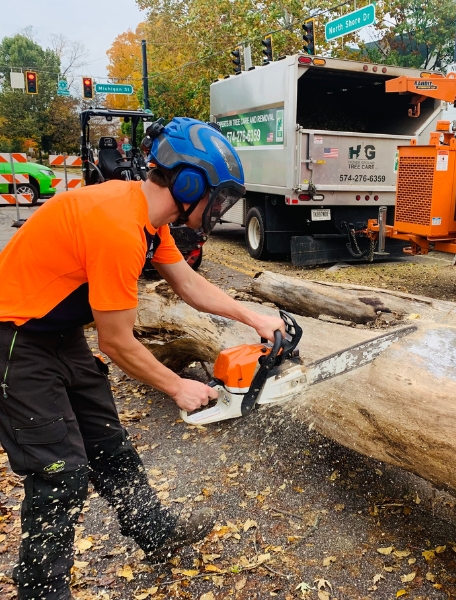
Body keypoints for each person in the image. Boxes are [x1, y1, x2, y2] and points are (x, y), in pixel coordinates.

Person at [0, 117, 285, 600]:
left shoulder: (148, 220)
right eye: (218, 198)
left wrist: (252, 317)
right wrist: (177, 386)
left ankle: (155, 534)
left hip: (60, 335)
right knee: (60, 474)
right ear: (189, 183)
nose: (219, 209)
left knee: (109, 445)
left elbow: (189, 284)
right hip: (13, 341)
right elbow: (116, 341)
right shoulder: (118, 227)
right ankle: (40, 592)